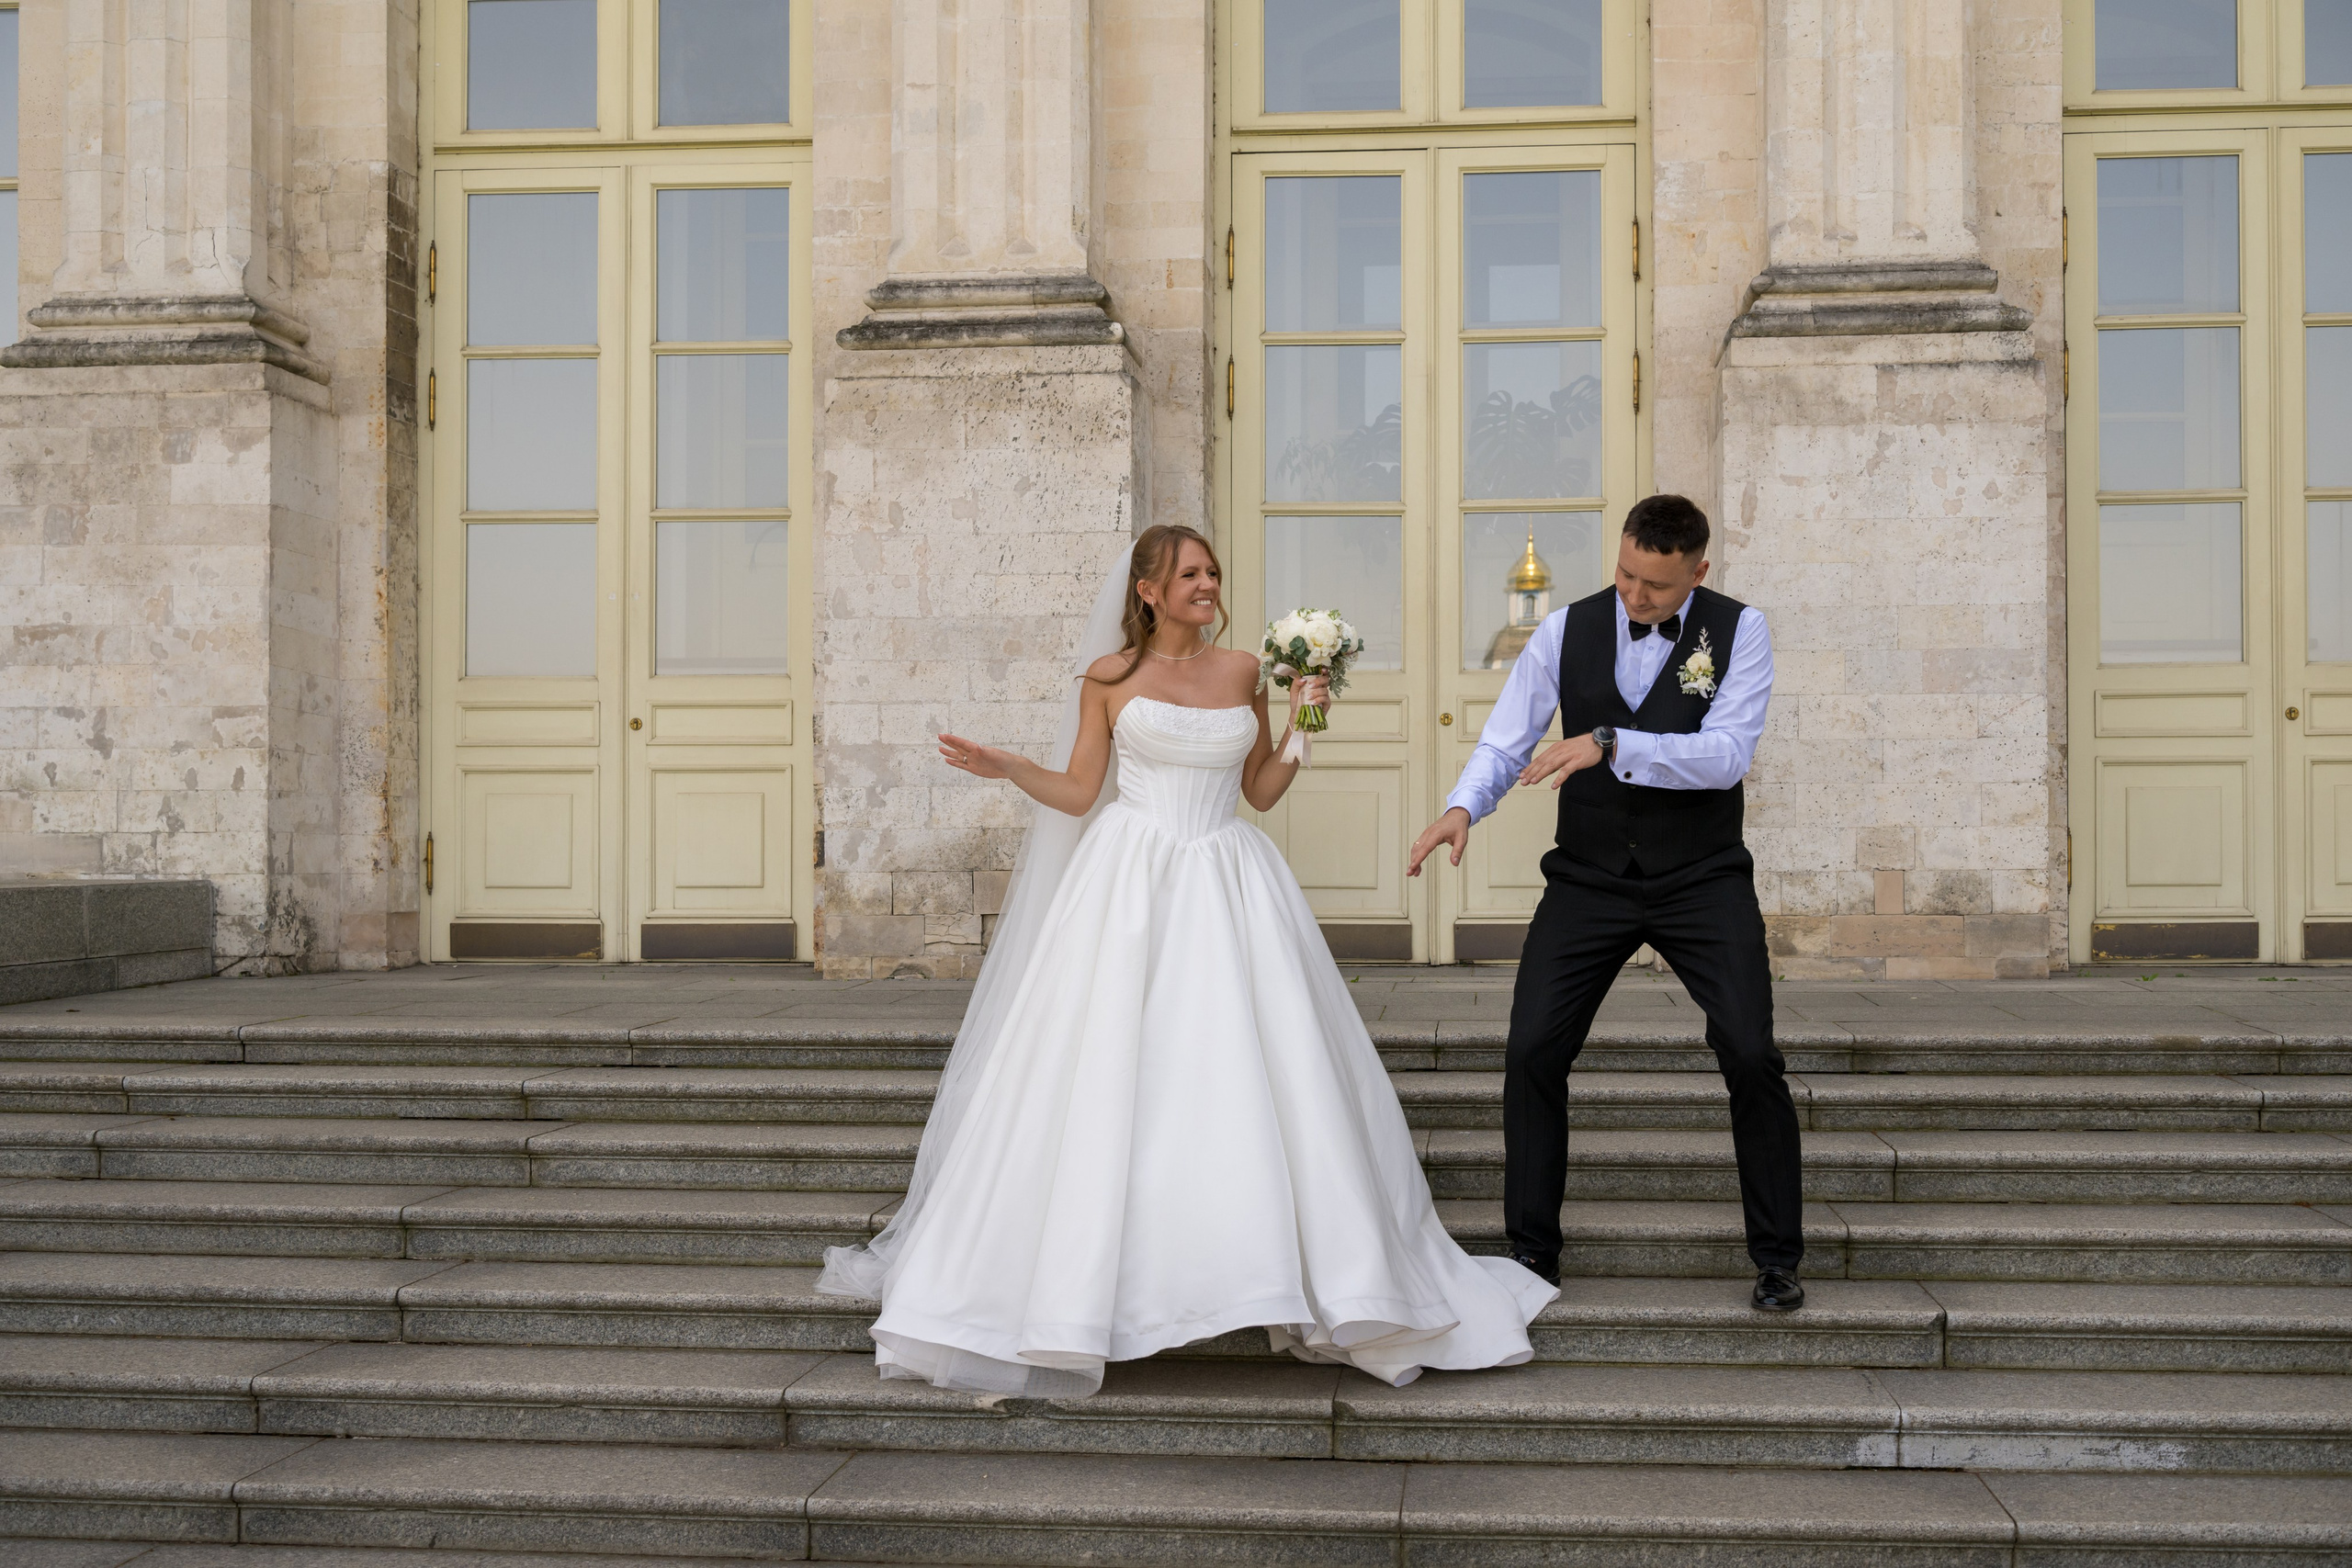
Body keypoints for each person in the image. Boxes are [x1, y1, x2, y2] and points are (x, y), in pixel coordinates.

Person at [818, 523, 1556, 1395]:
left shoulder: (1244, 669)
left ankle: (1264, 1273)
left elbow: (1261, 792)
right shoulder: (1107, 680)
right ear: (1148, 591)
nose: (1208, 584)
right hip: (1127, 887)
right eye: (1190, 574)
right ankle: (1093, 1288)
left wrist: (1302, 720)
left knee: (1243, 1072)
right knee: (1109, 1078)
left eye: (1212, 571)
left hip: (1228, 876)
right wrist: (1009, 765)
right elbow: (1081, 792)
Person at [1408, 494, 1807, 1312]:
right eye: (1625, 574)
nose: (1634, 596)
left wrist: (1612, 741)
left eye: (1655, 587)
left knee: (1749, 1050)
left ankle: (1776, 1257)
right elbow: (1506, 737)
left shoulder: (1742, 631)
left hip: (1702, 876)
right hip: (1589, 875)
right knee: (1531, 1051)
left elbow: (1726, 756)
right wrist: (1463, 806)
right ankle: (1532, 1251)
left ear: (1697, 572)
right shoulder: (1564, 629)